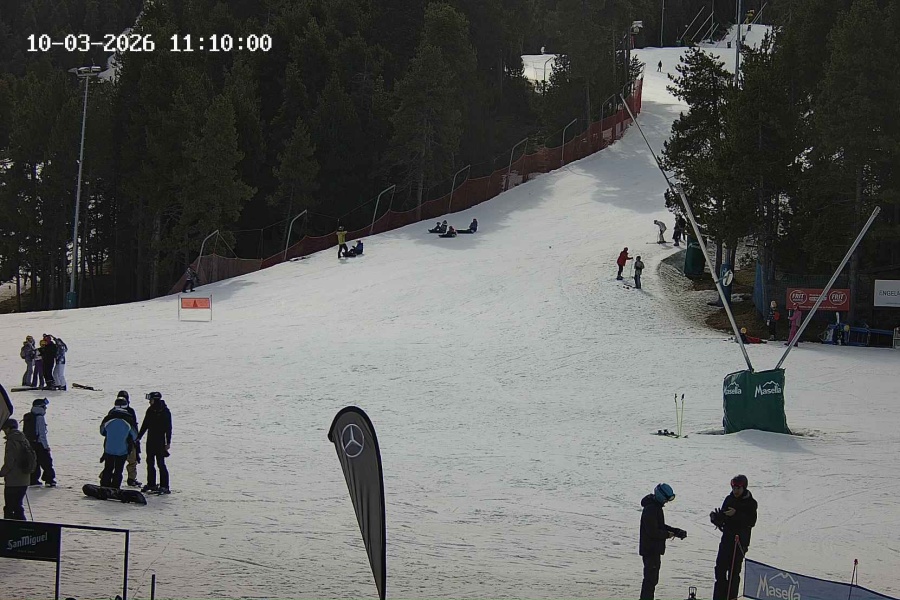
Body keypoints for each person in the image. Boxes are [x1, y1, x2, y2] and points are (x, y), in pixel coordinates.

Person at [710, 475, 758, 600]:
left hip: (740, 543)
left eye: (738, 488)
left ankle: (731, 598)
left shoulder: (751, 503)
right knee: (720, 569)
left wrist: (735, 514)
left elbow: (751, 521)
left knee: (733, 573)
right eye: (733, 488)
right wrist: (717, 519)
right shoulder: (729, 499)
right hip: (726, 539)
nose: (735, 491)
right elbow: (724, 519)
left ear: (744, 488)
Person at [639, 483, 687, 600]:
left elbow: (660, 526)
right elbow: (653, 531)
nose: (666, 502)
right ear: (661, 496)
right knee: (650, 579)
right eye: (666, 499)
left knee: (652, 579)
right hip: (650, 549)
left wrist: (676, 531)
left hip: (653, 549)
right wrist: (667, 534)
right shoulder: (651, 509)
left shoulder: (655, 507)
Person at [1, 418, 37, 520]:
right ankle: (22, 526)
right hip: (24, 479)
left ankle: (9, 527)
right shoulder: (24, 439)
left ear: (9, 428)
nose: (4, 431)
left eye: (4, 429)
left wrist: (1, 473)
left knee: (9, 508)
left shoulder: (11, 442)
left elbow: (9, 463)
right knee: (18, 506)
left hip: (13, 481)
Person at [99, 397, 139, 489]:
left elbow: (102, 431)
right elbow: (134, 435)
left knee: (108, 468)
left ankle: (104, 486)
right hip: (123, 449)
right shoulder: (129, 419)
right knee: (118, 470)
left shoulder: (108, 418)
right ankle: (115, 488)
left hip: (109, 448)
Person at [139, 391, 173, 494]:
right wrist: (138, 437)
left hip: (160, 441)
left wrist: (168, 443)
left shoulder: (165, 412)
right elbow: (145, 425)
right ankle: (151, 484)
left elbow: (168, 428)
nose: (149, 402)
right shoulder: (150, 410)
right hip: (150, 440)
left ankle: (164, 486)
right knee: (150, 462)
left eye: (151, 400)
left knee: (160, 463)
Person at [23, 398, 55, 486]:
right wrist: (46, 447)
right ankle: (49, 480)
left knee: (34, 462)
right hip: (39, 444)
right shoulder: (40, 417)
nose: (46, 409)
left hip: (30, 443)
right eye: (45, 407)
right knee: (47, 463)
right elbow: (41, 434)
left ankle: (33, 480)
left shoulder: (29, 416)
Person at [117, 391, 142, 487]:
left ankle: (106, 477)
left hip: (118, 441)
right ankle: (131, 479)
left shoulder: (113, 411)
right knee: (132, 461)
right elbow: (134, 426)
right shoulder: (130, 411)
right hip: (129, 440)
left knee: (114, 461)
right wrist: (136, 439)